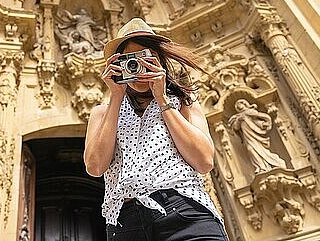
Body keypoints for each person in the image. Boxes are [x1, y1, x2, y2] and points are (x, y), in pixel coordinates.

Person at [84, 18, 228, 241]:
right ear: (118, 65)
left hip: (184, 210)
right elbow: (95, 166)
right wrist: (115, 96)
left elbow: (204, 161)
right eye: (130, 61)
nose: (138, 68)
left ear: (159, 62)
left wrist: (162, 99)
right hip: (126, 221)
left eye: (144, 59)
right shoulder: (102, 113)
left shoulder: (183, 102)